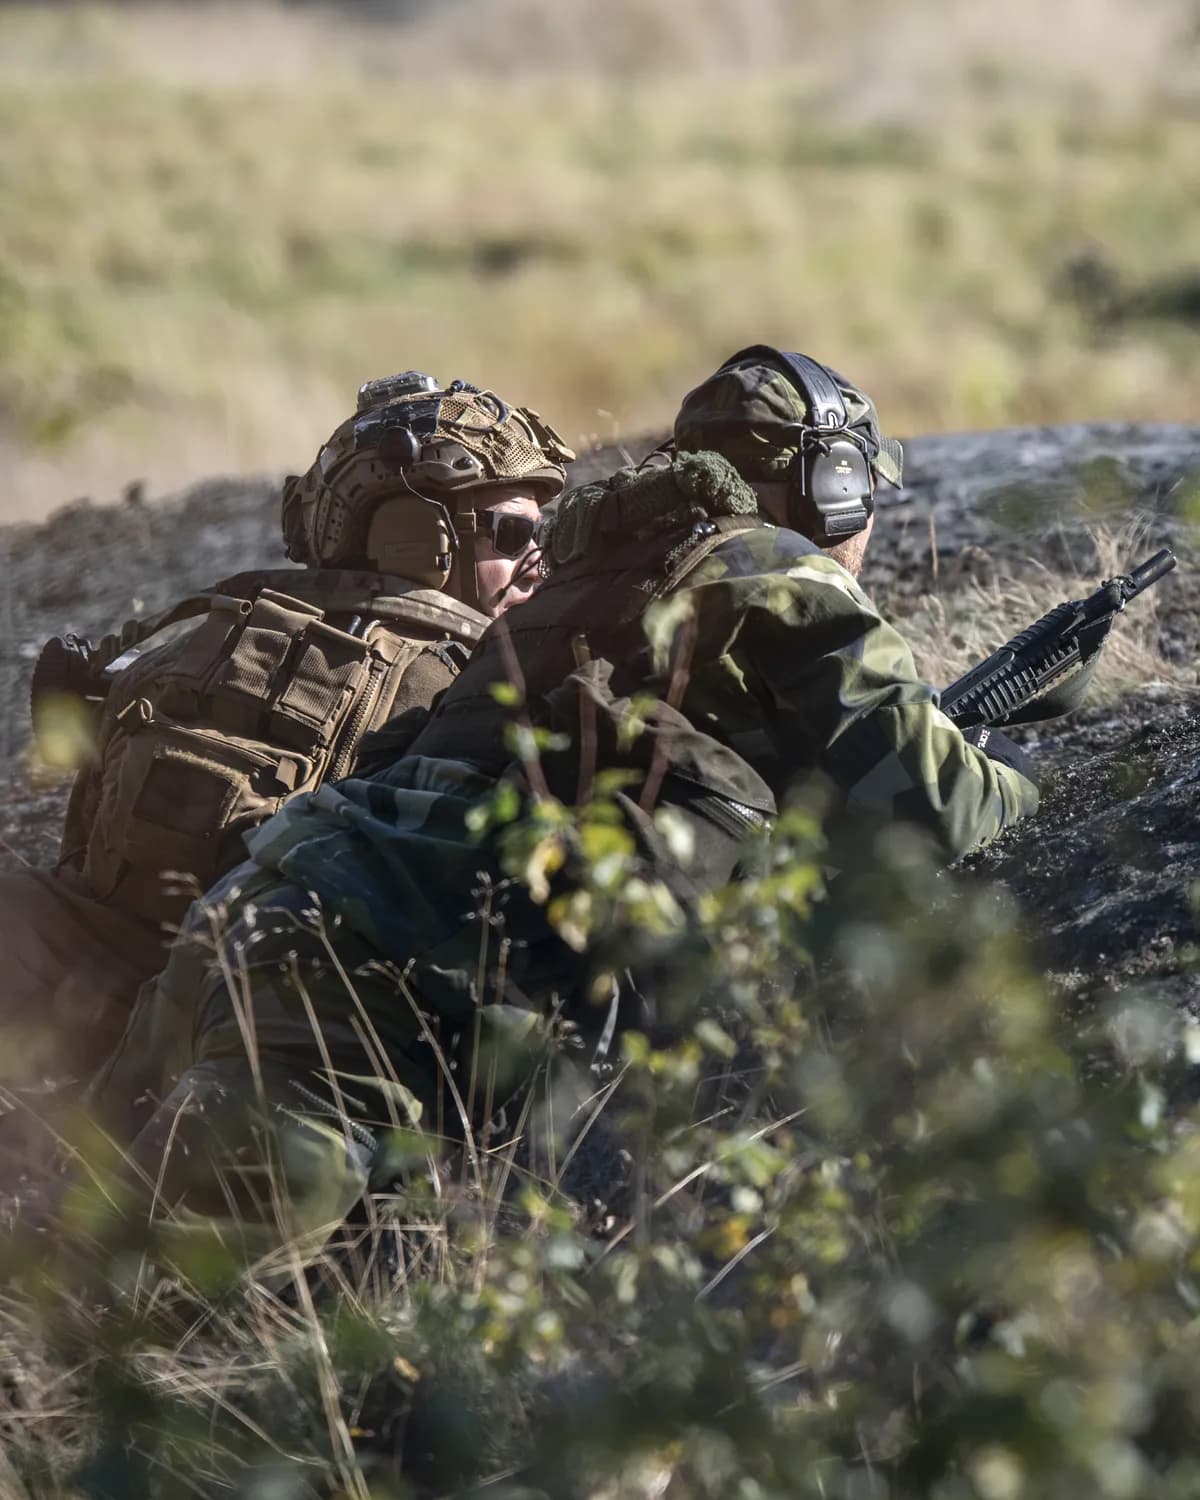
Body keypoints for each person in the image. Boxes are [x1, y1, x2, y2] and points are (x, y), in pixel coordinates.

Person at [65, 346, 1039, 1267]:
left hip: (255, 915)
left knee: (76, 1267)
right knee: (179, 1336)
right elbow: (944, 805)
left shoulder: (559, 597)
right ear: (830, 488)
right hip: (356, 984)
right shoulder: (773, 570)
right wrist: (1012, 767)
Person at [0, 373, 574, 1102]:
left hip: (92, 986)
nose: (539, 560)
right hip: (251, 1032)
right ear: (422, 537)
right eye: (515, 532)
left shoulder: (194, 627)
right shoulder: (467, 685)